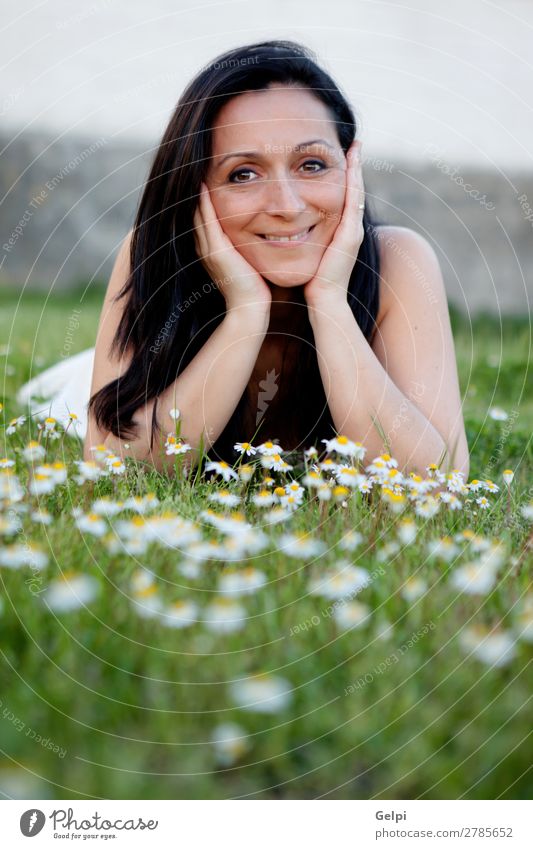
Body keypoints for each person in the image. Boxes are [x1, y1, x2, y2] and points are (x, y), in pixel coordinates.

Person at [17, 40, 469, 480]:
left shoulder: (397, 260)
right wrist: (246, 312)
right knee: (65, 396)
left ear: (352, 168)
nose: (287, 205)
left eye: (312, 164)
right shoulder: (154, 252)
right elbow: (113, 469)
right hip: (120, 385)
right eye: (243, 174)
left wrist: (329, 301)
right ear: (195, 189)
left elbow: (435, 478)